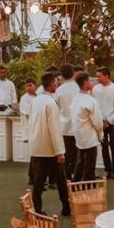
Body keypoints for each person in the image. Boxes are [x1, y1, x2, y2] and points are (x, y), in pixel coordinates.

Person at [28, 72, 69, 216]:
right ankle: (66, 208)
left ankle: (36, 209)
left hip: (37, 146)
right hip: (50, 149)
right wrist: (60, 151)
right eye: (56, 81)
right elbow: (54, 129)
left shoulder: (36, 101)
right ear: (52, 84)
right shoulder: (50, 103)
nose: (57, 84)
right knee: (61, 179)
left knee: (39, 181)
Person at [69, 72, 102, 182]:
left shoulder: (75, 99)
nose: (92, 82)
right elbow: (97, 122)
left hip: (78, 135)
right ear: (85, 83)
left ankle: (74, 187)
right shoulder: (91, 100)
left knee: (80, 163)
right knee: (89, 166)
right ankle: (86, 190)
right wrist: (100, 135)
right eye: (90, 80)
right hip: (89, 136)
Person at [92, 67, 114, 180]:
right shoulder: (95, 89)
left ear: (107, 76)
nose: (98, 78)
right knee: (103, 146)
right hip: (100, 121)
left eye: (99, 76)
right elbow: (94, 106)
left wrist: (109, 120)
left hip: (113, 122)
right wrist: (101, 120)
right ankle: (107, 170)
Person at [56, 64, 80, 179]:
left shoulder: (59, 90)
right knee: (78, 154)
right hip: (78, 125)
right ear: (73, 73)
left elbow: (57, 107)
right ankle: (76, 176)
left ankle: (67, 177)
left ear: (62, 75)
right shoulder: (79, 87)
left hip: (65, 126)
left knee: (66, 153)